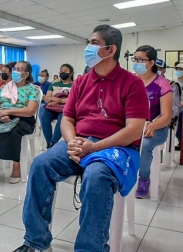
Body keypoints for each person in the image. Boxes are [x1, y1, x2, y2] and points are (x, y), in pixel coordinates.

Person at [14, 25, 149, 252]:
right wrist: (72, 141)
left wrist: (95, 147)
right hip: (81, 140)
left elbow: (135, 130)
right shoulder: (81, 82)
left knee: (96, 176)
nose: (88, 47)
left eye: (93, 43)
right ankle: (35, 241)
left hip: (117, 146)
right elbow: (68, 119)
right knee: (40, 164)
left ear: (111, 49)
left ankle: (91, 248)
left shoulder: (132, 83)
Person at [0, 61, 40, 184]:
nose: (15, 71)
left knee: (13, 133)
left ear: (26, 74)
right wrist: (0, 114)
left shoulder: (32, 89)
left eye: (19, 69)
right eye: (14, 69)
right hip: (2, 117)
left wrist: (8, 112)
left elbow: (30, 110)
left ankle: (16, 166)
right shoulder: (4, 88)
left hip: (23, 119)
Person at [131, 45, 172, 199]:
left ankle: (144, 179)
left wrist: (152, 125)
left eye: (141, 60)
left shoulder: (162, 84)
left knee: (145, 145)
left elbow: (166, 116)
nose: (137, 62)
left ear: (152, 62)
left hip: (157, 126)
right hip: (134, 124)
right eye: (135, 59)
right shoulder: (131, 80)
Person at [39, 64, 74, 149]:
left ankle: (53, 143)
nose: (62, 72)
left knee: (62, 119)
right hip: (52, 107)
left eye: (65, 71)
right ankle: (49, 143)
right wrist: (53, 100)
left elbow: (73, 99)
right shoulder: (54, 84)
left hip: (65, 108)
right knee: (44, 117)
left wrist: (59, 101)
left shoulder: (74, 84)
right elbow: (46, 97)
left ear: (71, 73)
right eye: (61, 71)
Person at [174, 63, 183, 150]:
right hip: (175, 106)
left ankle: (180, 140)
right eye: (177, 69)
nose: (178, 71)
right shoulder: (173, 82)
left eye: (181, 69)